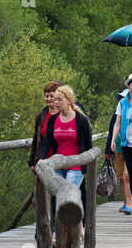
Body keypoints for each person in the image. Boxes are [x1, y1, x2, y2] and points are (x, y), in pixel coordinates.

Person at [38, 85, 93, 239]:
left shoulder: (81, 120)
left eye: (59, 99)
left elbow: (88, 147)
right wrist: (41, 159)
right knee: (57, 195)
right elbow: (47, 141)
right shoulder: (53, 120)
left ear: (69, 101)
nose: (55, 102)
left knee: (68, 196)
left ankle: (69, 231)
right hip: (59, 163)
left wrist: (85, 166)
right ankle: (66, 229)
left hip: (76, 164)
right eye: (54, 99)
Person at [28, 81, 63, 239]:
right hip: (42, 162)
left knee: (56, 197)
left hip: (60, 162)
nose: (49, 99)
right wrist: (32, 162)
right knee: (41, 198)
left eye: (52, 96)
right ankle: (42, 231)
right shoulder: (40, 117)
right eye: (46, 96)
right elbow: (36, 140)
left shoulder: (66, 115)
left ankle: (55, 231)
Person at [110, 73, 132, 220]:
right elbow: (117, 123)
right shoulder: (122, 103)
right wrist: (113, 140)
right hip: (126, 143)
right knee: (131, 175)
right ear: (128, 86)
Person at [105, 88, 132, 215]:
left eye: (124, 98)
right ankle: (126, 201)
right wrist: (107, 150)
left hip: (130, 146)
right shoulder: (116, 114)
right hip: (117, 148)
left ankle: (129, 203)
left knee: (128, 176)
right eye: (120, 98)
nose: (122, 100)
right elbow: (112, 131)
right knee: (121, 176)